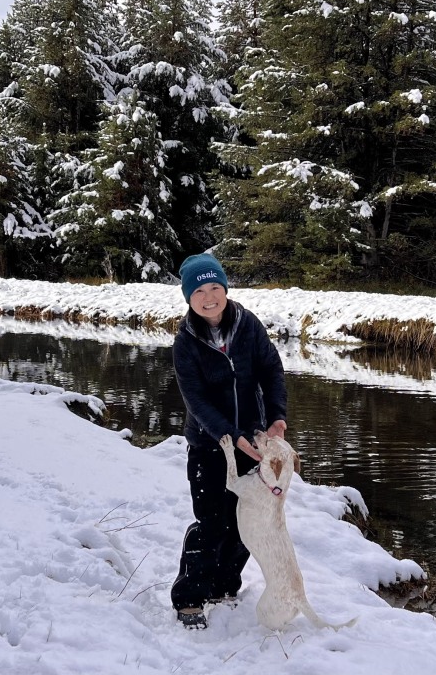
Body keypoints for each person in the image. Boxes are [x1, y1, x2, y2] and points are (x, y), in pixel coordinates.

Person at [169, 253, 288, 629]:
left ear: (225, 289)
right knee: (211, 522)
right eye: (200, 290)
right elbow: (196, 401)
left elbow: (271, 369)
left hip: (253, 442)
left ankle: (224, 586)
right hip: (210, 445)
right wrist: (231, 436)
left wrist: (276, 417)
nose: (209, 297)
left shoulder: (247, 324)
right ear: (189, 297)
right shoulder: (185, 342)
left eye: (215, 287)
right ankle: (190, 598)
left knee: (243, 522)